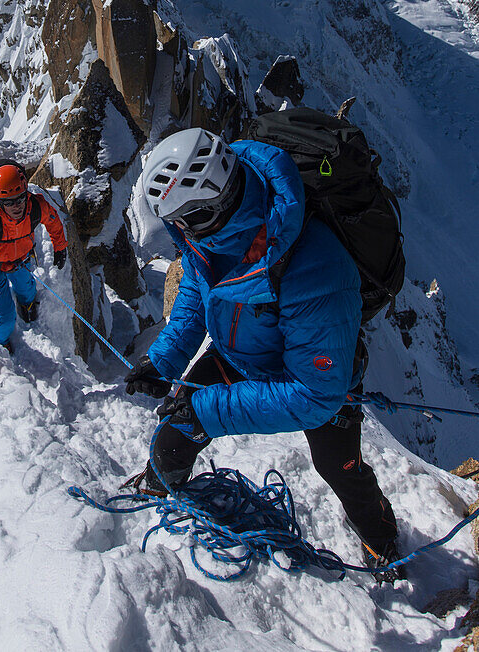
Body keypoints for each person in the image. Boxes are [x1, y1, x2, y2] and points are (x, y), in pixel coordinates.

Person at [126, 127, 401, 581]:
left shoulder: (314, 266)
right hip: (240, 356)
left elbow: (316, 396)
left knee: (340, 468)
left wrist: (208, 410)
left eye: (181, 220)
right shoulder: (210, 235)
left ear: (209, 208)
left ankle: (382, 539)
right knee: (175, 429)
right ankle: (154, 496)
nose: (175, 230)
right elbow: (200, 284)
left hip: (316, 380)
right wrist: (165, 360)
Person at [0, 163, 67, 348]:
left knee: (28, 291)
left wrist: (60, 247)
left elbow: (53, 221)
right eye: (8, 202)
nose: (16, 206)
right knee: (5, 318)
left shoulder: (36, 206)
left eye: (20, 198)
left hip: (20, 260)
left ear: (26, 194)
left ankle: (27, 306)